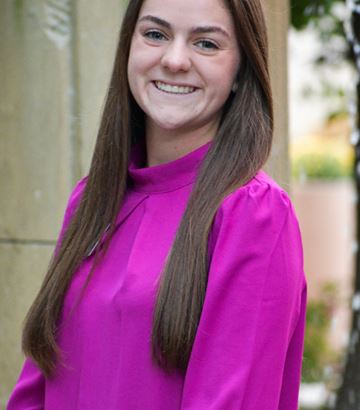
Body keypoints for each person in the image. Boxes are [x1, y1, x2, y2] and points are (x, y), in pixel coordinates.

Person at [7, 0, 307, 408]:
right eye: (155, 34)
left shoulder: (254, 213)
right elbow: (37, 387)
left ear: (242, 69)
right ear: (128, 48)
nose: (175, 59)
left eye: (205, 43)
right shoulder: (91, 201)